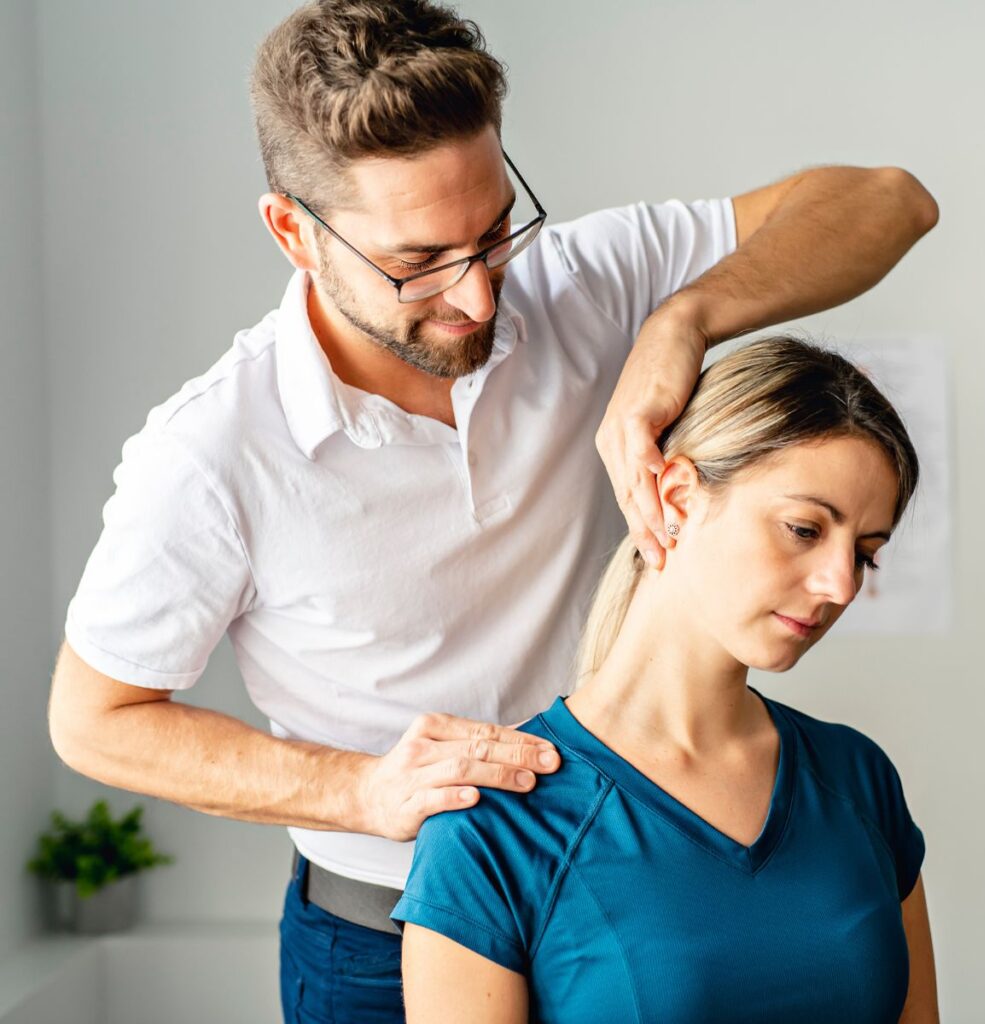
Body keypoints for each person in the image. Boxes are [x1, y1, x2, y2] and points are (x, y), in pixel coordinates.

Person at [45, 2, 938, 1021]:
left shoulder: (584, 282)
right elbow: (94, 721)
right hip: (379, 928)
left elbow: (887, 202)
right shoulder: (211, 453)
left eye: (495, 229)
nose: (477, 295)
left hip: (639, 881)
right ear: (294, 230)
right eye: (419, 260)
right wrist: (364, 793)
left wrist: (687, 319)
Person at [393, 335, 940, 1024]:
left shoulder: (859, 779)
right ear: (677, 496)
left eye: (866, 555)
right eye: (805, 528)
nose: (839, 584)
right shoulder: (497, 823)